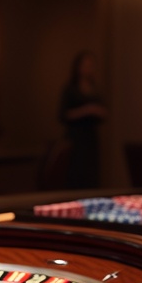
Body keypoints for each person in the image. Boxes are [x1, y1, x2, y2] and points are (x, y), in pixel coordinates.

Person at [58, 51, 107, 189]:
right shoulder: (70, 90)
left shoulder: (95, 89)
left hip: (91, 139)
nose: (88, 68)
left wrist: (98, 111)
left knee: (91, 175)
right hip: (76, 139)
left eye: (91, 65)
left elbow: (104, 111)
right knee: (76, 174)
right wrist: (85, 110)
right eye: (86, 65)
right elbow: (62, 115)